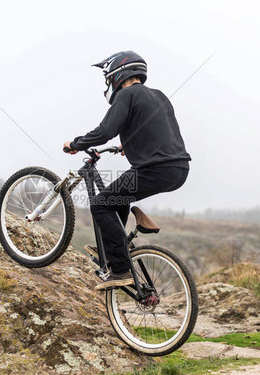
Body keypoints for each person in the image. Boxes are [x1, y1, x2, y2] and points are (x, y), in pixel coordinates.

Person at [63, 51, 191, 290]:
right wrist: (129, 142)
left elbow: (104, 131)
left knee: (100, 204)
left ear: (117, 75)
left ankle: (120, 270)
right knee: (117, 198)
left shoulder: (127, 94)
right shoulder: (159, 96)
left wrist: (76, 144)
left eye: (107, 79)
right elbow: (157, 129)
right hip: (179, 169)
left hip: (155, 169)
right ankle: (116, 250)